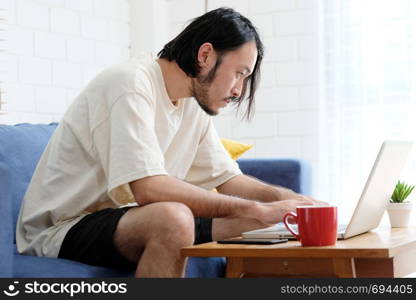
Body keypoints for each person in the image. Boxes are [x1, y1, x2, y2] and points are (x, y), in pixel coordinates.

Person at [16, 7, 322, 278]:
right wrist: (255, 208)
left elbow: (228, 180)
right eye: (239, 74)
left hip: (127, 219)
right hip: (64, 228)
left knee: (261, 226)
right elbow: (149, 189)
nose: (239, 90)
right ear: (205, 56)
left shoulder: (192, 104)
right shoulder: (130, 85)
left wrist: (292, 201)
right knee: (173, 217)